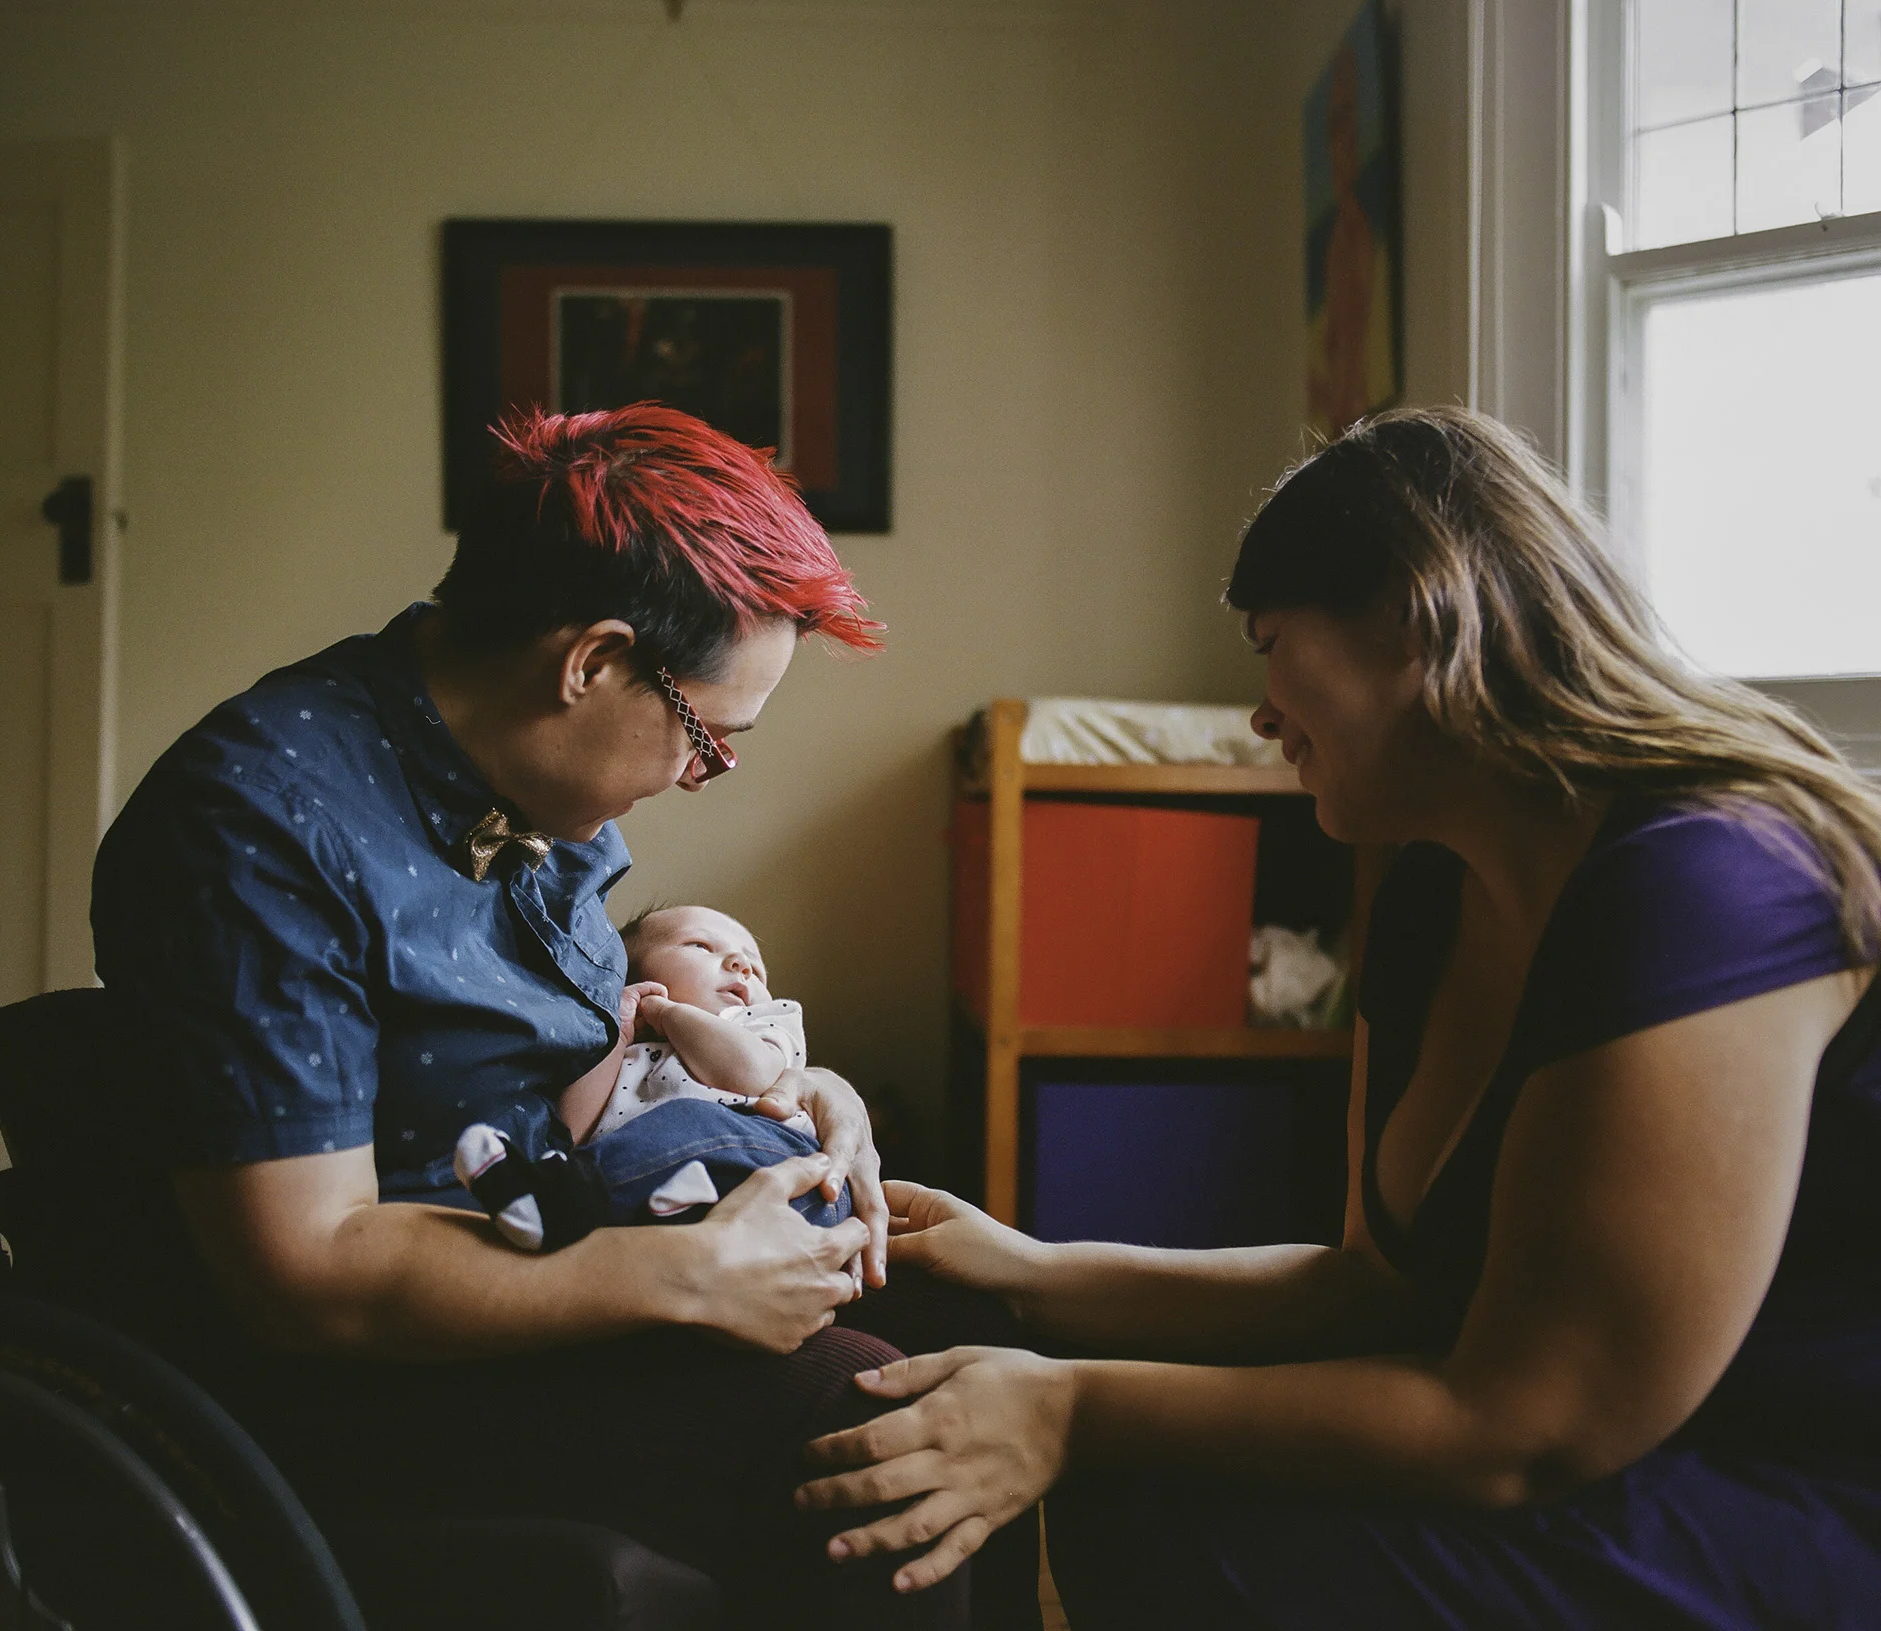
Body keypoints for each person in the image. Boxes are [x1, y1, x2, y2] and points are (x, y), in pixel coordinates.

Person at [793, 405, 1881, 1625]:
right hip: (1571, 1443)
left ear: (1417, 619)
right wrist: (1036, 1273)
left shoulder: (1710, 875)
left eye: (1270, 644)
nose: (1258, 711)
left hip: (1783, 1490)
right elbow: (1371, 1287)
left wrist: (1069, 1401)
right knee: (1112, 1473)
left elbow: (1534, 1421)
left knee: (1179, 1517)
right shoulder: (1426, 893)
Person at [92, 404, 1038, 1627]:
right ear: (589, 662)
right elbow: (305, 1270)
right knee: (887, 1429)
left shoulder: (535, 784)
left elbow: (593, 1047)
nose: (707, 773)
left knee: (985, 1345)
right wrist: (680, 1278)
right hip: (350, 1384)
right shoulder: (261, 825)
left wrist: (805, 1095)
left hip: (568, 1241)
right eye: (710, 735)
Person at [455, 904, 846, 1251]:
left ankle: (553, 1204)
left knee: (688, 1119)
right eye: (700, 946)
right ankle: (626, 1210)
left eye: (755, 966)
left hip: (778, 1164)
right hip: (670, 1216)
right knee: (598, 1166)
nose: (740, 965)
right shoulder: (630, 1051)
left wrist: (666, 1013)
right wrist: (619, 1033)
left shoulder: (761, 1023)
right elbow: (575, 1131)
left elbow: (754, 1075)